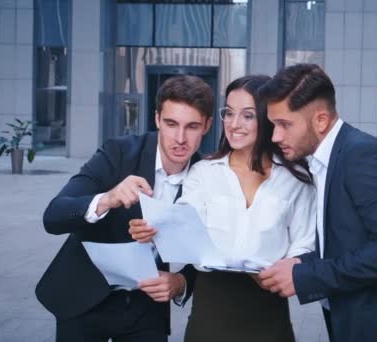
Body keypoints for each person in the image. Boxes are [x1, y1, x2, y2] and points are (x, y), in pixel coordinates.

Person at [257, 64, 377, 342]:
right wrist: (299, 262)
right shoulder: (324, 161)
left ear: (320, 121)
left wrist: (304, 276)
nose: (275, 136)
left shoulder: (364, 156)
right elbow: (348, 243)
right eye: (273, 124)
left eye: (284, 125)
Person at [129, 75, 316, 342]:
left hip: (268, 314)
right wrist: (153, 230)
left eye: (248, 115)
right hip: (211, 314)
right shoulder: (204, 173)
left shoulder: (295, 179)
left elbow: (304, 244)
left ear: (267, 117)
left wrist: (288, 269)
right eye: (228, 113)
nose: (234, 124)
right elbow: (183, 229)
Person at [35, 75, 214, 342]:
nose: (180, 138)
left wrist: (181, 282)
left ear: (207, 126)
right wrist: (107, 198)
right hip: (84, 296)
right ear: (156, 119)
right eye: (171, 123)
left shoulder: (208, 177)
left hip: (146, 307)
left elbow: (216, 248)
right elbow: (54, 216)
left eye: (192, 127)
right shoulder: (118, 153)